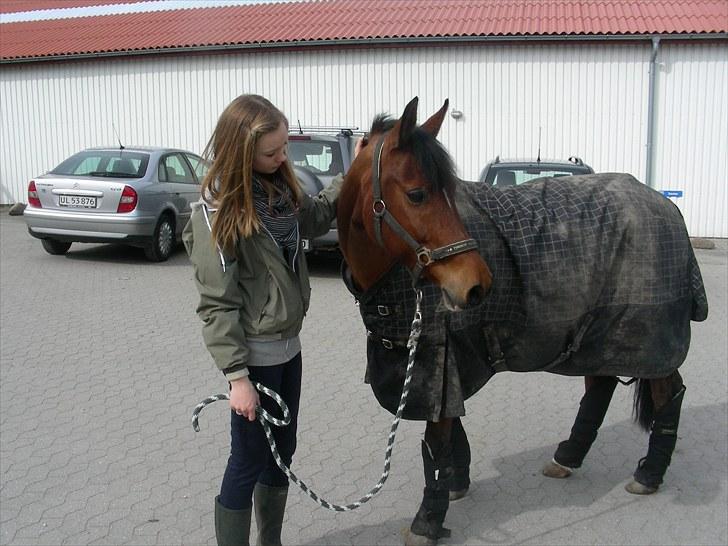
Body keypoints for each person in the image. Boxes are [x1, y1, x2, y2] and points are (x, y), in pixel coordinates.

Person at [183, 94, 351, 546]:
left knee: (283, 454)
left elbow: (316, 217)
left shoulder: (283, 192)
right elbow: (216, 305)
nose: (282, 159)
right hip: (254, 360)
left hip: (289, 350)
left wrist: (349, 178)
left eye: (284, 150)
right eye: (271, 152)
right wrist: (238, 378)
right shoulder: (217, 214)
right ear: (241, 152)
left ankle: (270, 541)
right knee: (247, 460)